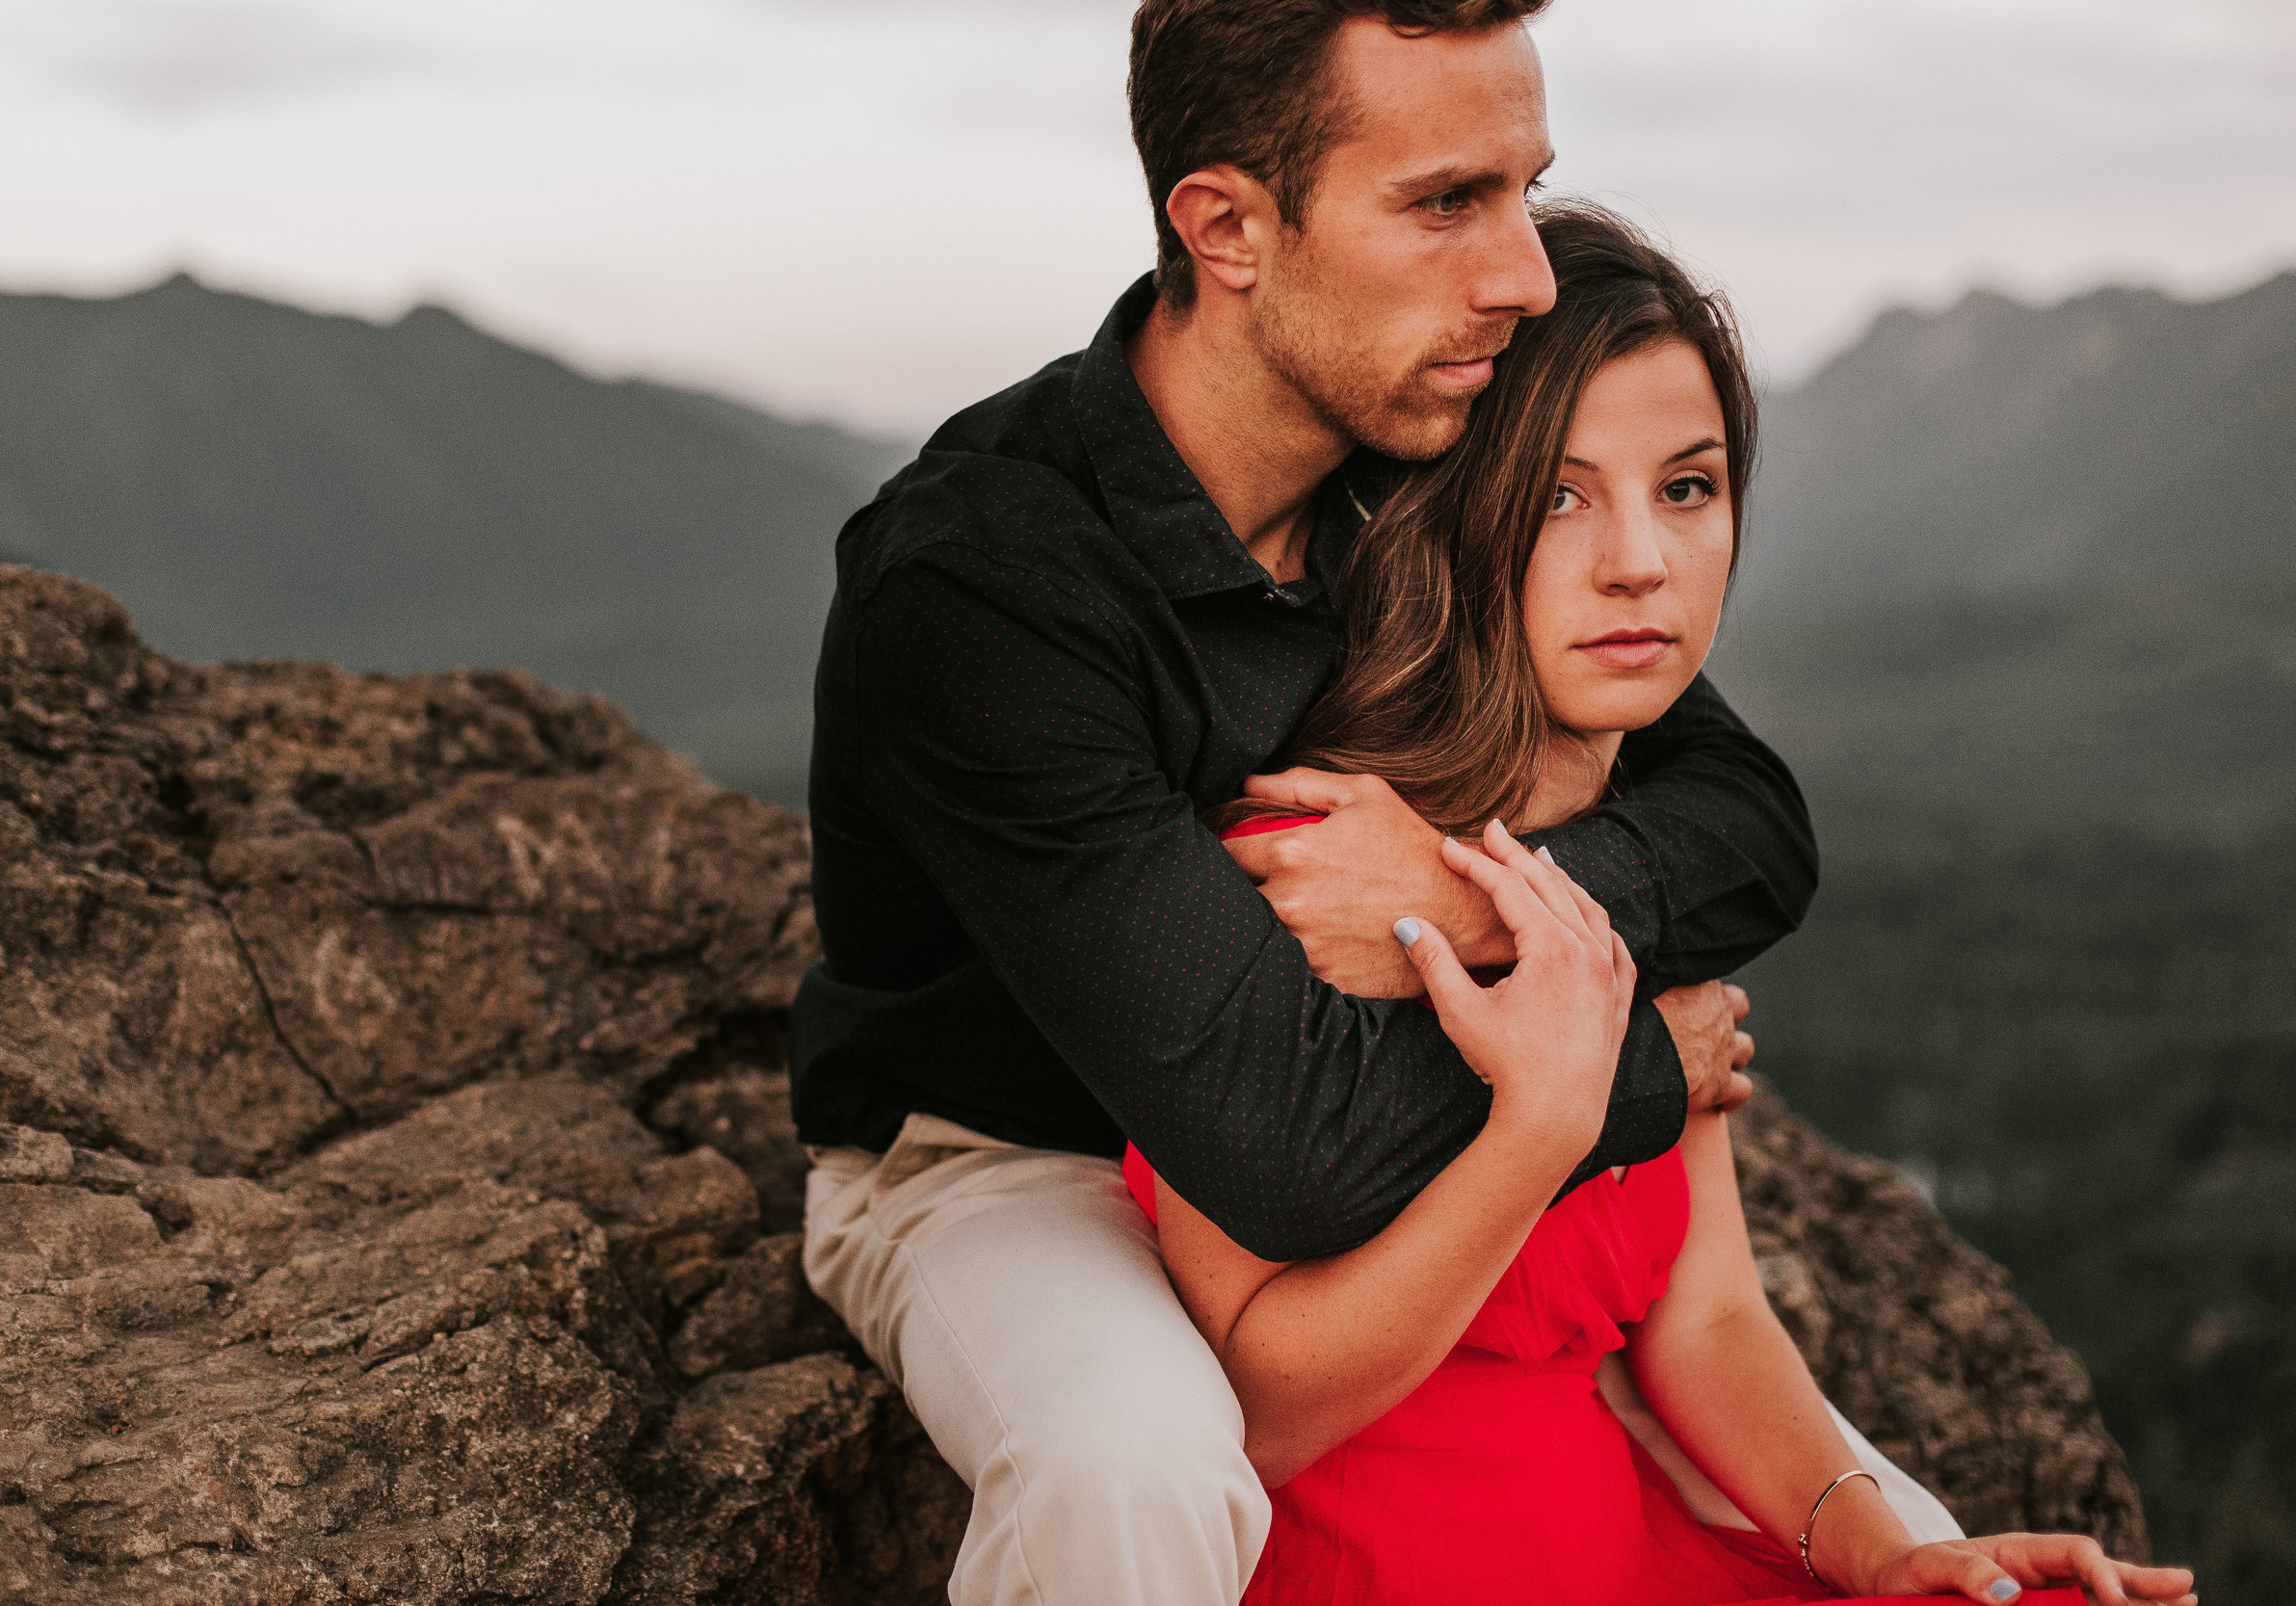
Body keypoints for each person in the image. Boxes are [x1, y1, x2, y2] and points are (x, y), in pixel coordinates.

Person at [798, 4, 1927, 1601]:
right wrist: (1621, 1070)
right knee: (1131, 1465)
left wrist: (1472, 907)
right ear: (1230, 227)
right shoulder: (984, 590)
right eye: (1446, 202)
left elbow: (1742, 812)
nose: (1526, 274)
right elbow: (1289, 1151)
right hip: (1011, 1148)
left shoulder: (1414, 457)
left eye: (1527, 193)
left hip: (1399, 1138)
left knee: (1922, 1548)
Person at [1124, 202, 2196, 1606]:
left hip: (1629, 1557)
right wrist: (1550, 1120)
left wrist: (1884, 1546)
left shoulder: (1630, 865)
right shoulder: (1307, 863)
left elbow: (1710, 1316)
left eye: (1687, 487)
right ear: (1445, 516)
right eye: (1563, 496)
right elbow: (1262, 1406)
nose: (1642, 560)